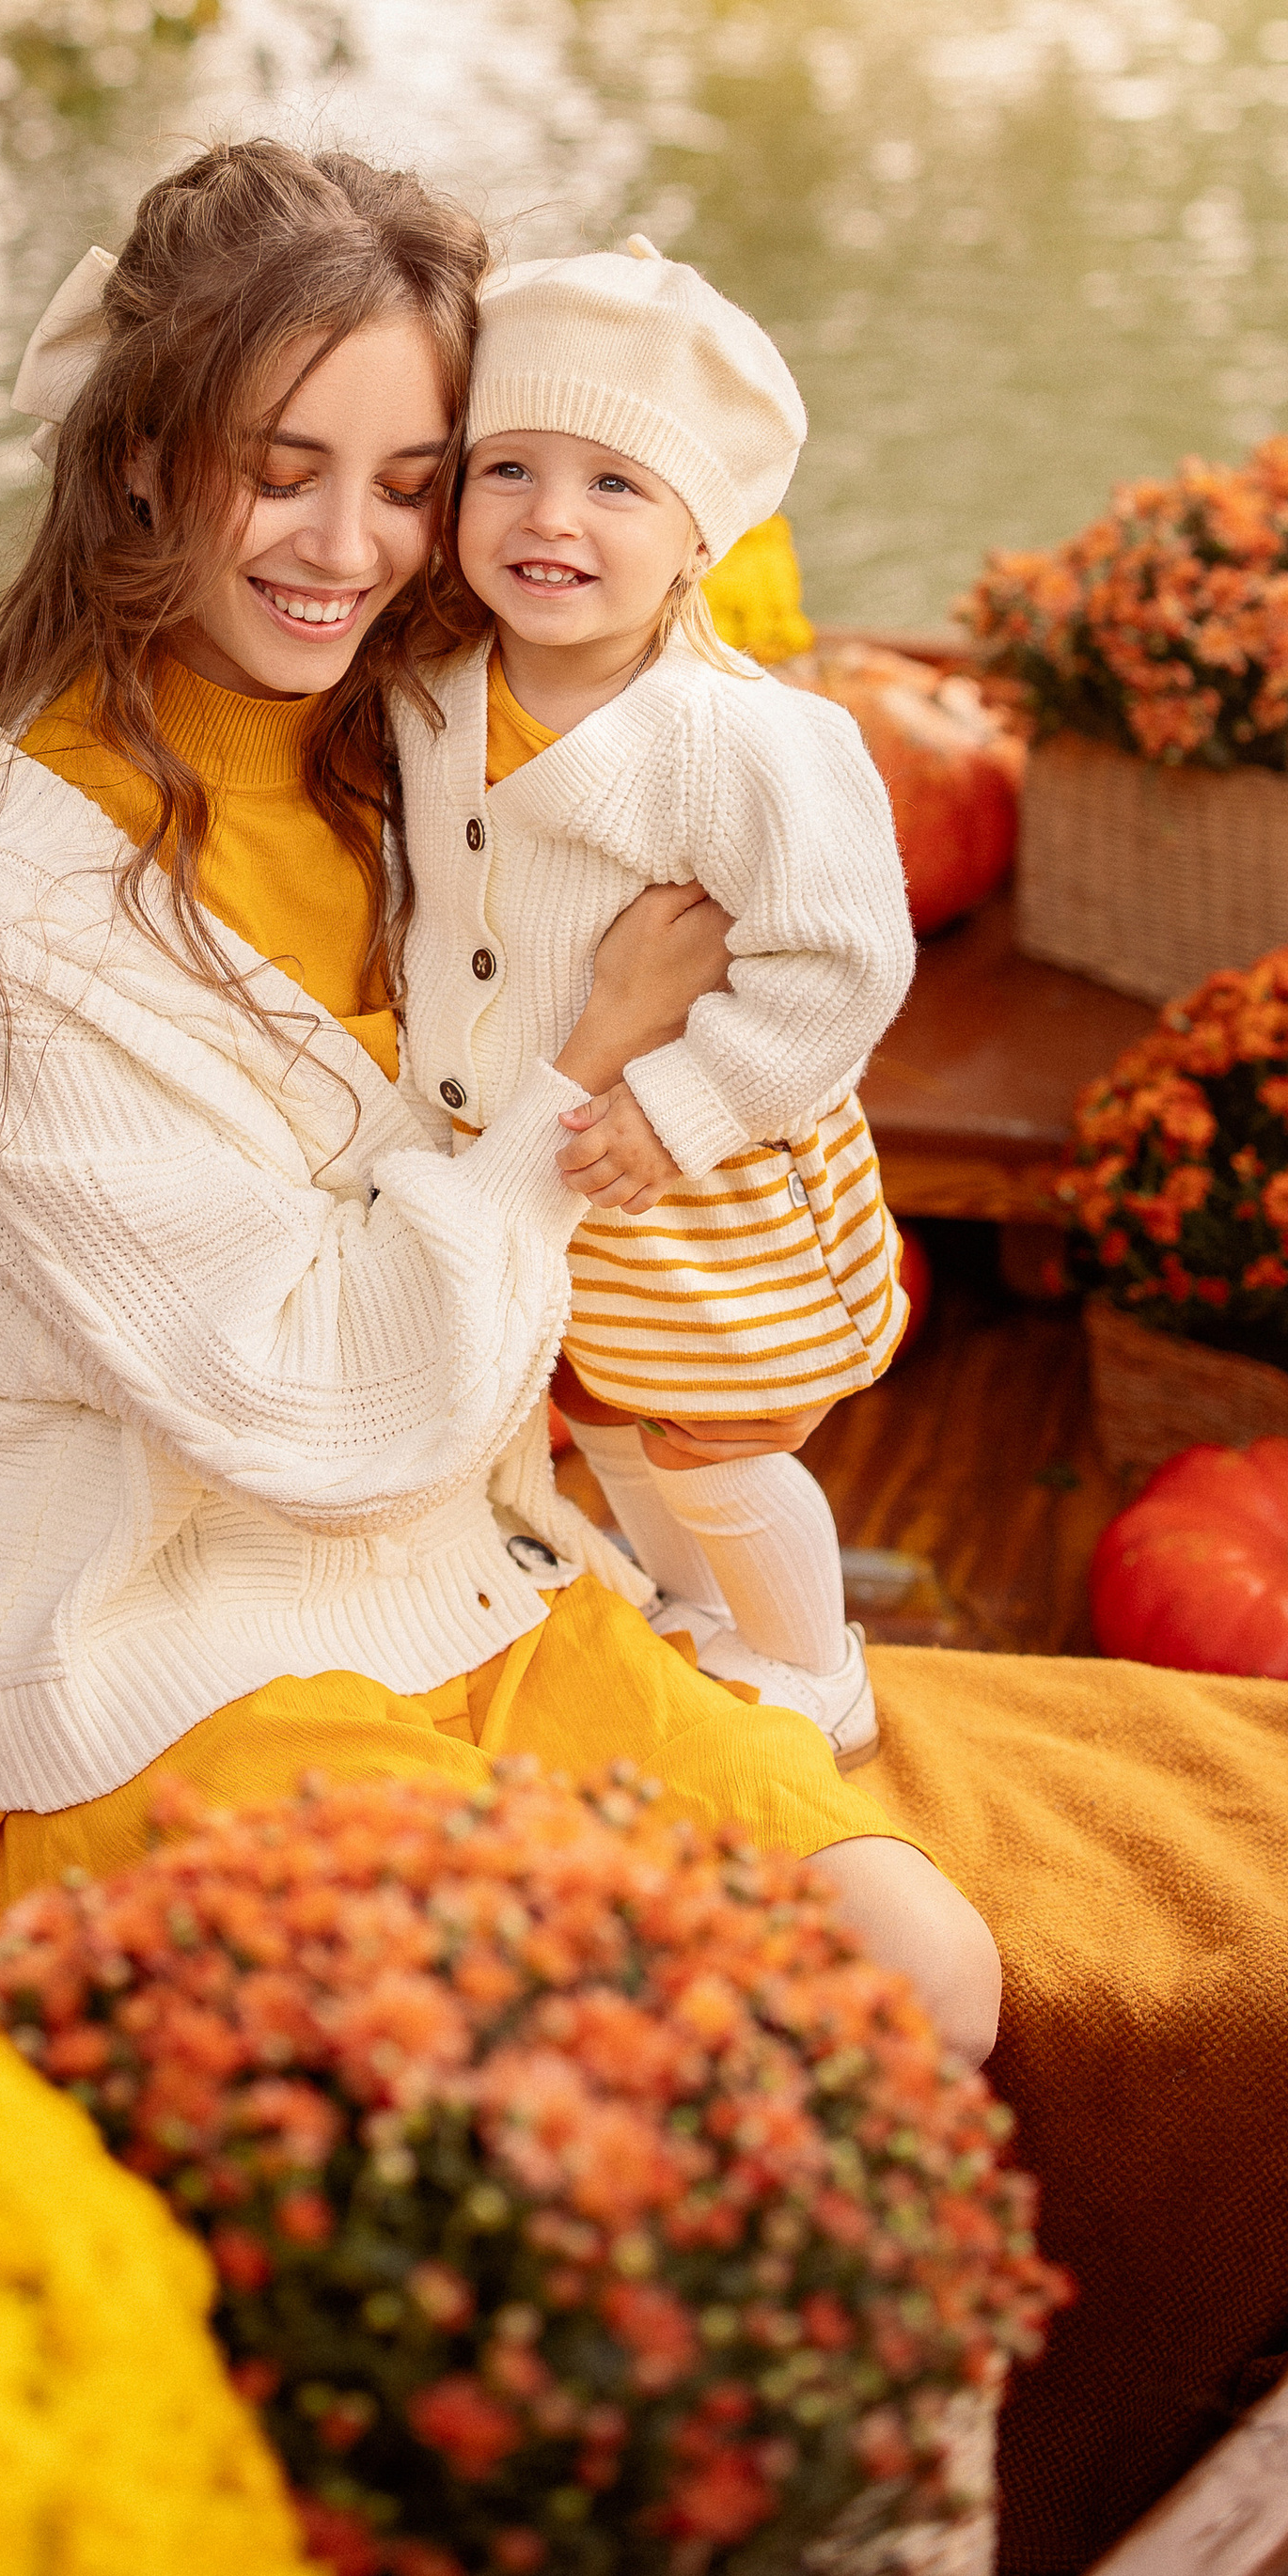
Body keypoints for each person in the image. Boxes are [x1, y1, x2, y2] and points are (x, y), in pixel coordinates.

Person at [0, 136, 999, 2059]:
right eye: (275, 471)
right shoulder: (16, 889)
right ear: (135, 455)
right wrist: (585, 1068)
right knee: (539, 2055)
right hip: (145, 1626)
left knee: (918, 1979)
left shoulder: (410, 727)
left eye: (408, 483)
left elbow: (682, 704)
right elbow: (310, 1404)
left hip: (469, 1577)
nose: (342, 549)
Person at [398, 236, 917, 1763]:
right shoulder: (429, 687)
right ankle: (703, 1618)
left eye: (616, 486)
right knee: (608, 1416)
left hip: (700, 1174)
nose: (552, 517)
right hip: (542, 1155)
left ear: (700, 534)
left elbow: (841, 959)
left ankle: (815, 1663)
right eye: (510, 468)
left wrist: (681, 1105)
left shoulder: (741, 739)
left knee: (713, 1430)